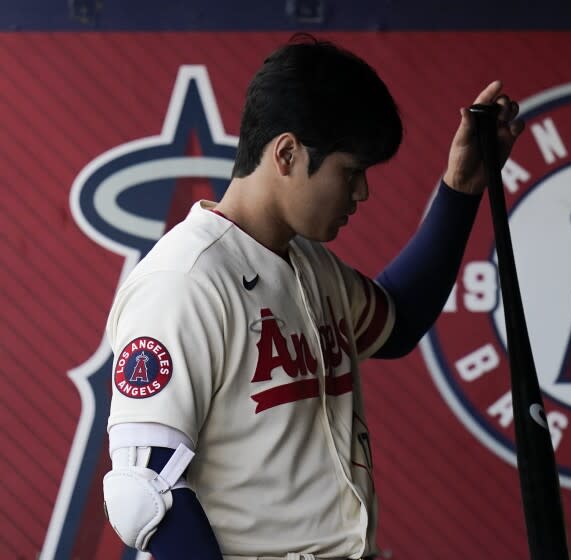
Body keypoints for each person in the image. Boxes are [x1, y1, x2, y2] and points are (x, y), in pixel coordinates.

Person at [102, 35, 522, 559]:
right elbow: (144, 491)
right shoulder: (184, 281)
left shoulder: (308, 262)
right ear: (287, 153)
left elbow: (400, 319)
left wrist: (462, 187)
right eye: (350, 171)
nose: (362, 192)